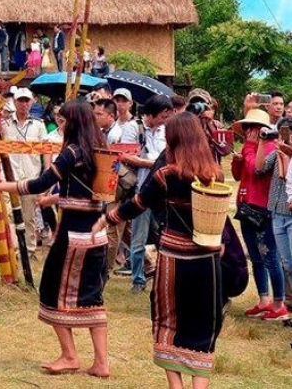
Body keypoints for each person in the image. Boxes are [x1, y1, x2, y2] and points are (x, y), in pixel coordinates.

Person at [0, 101, 110, 378]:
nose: (61, 125)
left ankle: (70, 356)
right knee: (93, 295)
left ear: (72, 122)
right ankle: (101, 363)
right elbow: (98, 194)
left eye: (63, 120)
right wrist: (57, 198)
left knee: (50, 289)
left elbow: (38, 183)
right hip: (98, 233)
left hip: (74, 235)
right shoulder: (101, 151)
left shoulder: (71, 152)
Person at [93, 112, 225, 389]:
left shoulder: (166, 175)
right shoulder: (215, 174)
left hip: (173, 259)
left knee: (167, 321)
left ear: (175, 139)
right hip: (207, 260)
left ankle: (175, 386)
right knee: (203, 324)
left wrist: (107, 218)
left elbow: (137, 204)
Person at [231, 109, 288, 320]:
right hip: (246, 207)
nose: (249, 132)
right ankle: (264, 299)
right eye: (246, 127)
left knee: (270, 257)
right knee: (255, 257)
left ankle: (279, 302)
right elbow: (239, 175)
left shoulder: (269, 147)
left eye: (253, 127)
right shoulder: (249, 148)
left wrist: (247, 150)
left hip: (263, 210)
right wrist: (238, 160)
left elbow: (256, 168)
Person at [120, 95, 172, 293]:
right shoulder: (133, 128)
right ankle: (138, 279)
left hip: (161, 191)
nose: (165, 119)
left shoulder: (165, 131)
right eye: (162, 115)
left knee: (164, 235)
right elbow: (125, 155)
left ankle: (164, 275)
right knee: (138, 238)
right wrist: (153, 163)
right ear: (151, 113)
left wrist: (146, 160)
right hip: (140, 189)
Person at [1, 87, 47, 256]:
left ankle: (29, 250)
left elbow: (47, 150)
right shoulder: (4, 124)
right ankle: (12, 249)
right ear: (15, 101)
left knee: (29, 216)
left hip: (30, 177)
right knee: (9, 215)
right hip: (8, 175)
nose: (23, 104)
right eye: (20, 100)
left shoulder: (38, 125)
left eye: (26, 100)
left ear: (32, 102)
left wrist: (46, 175)